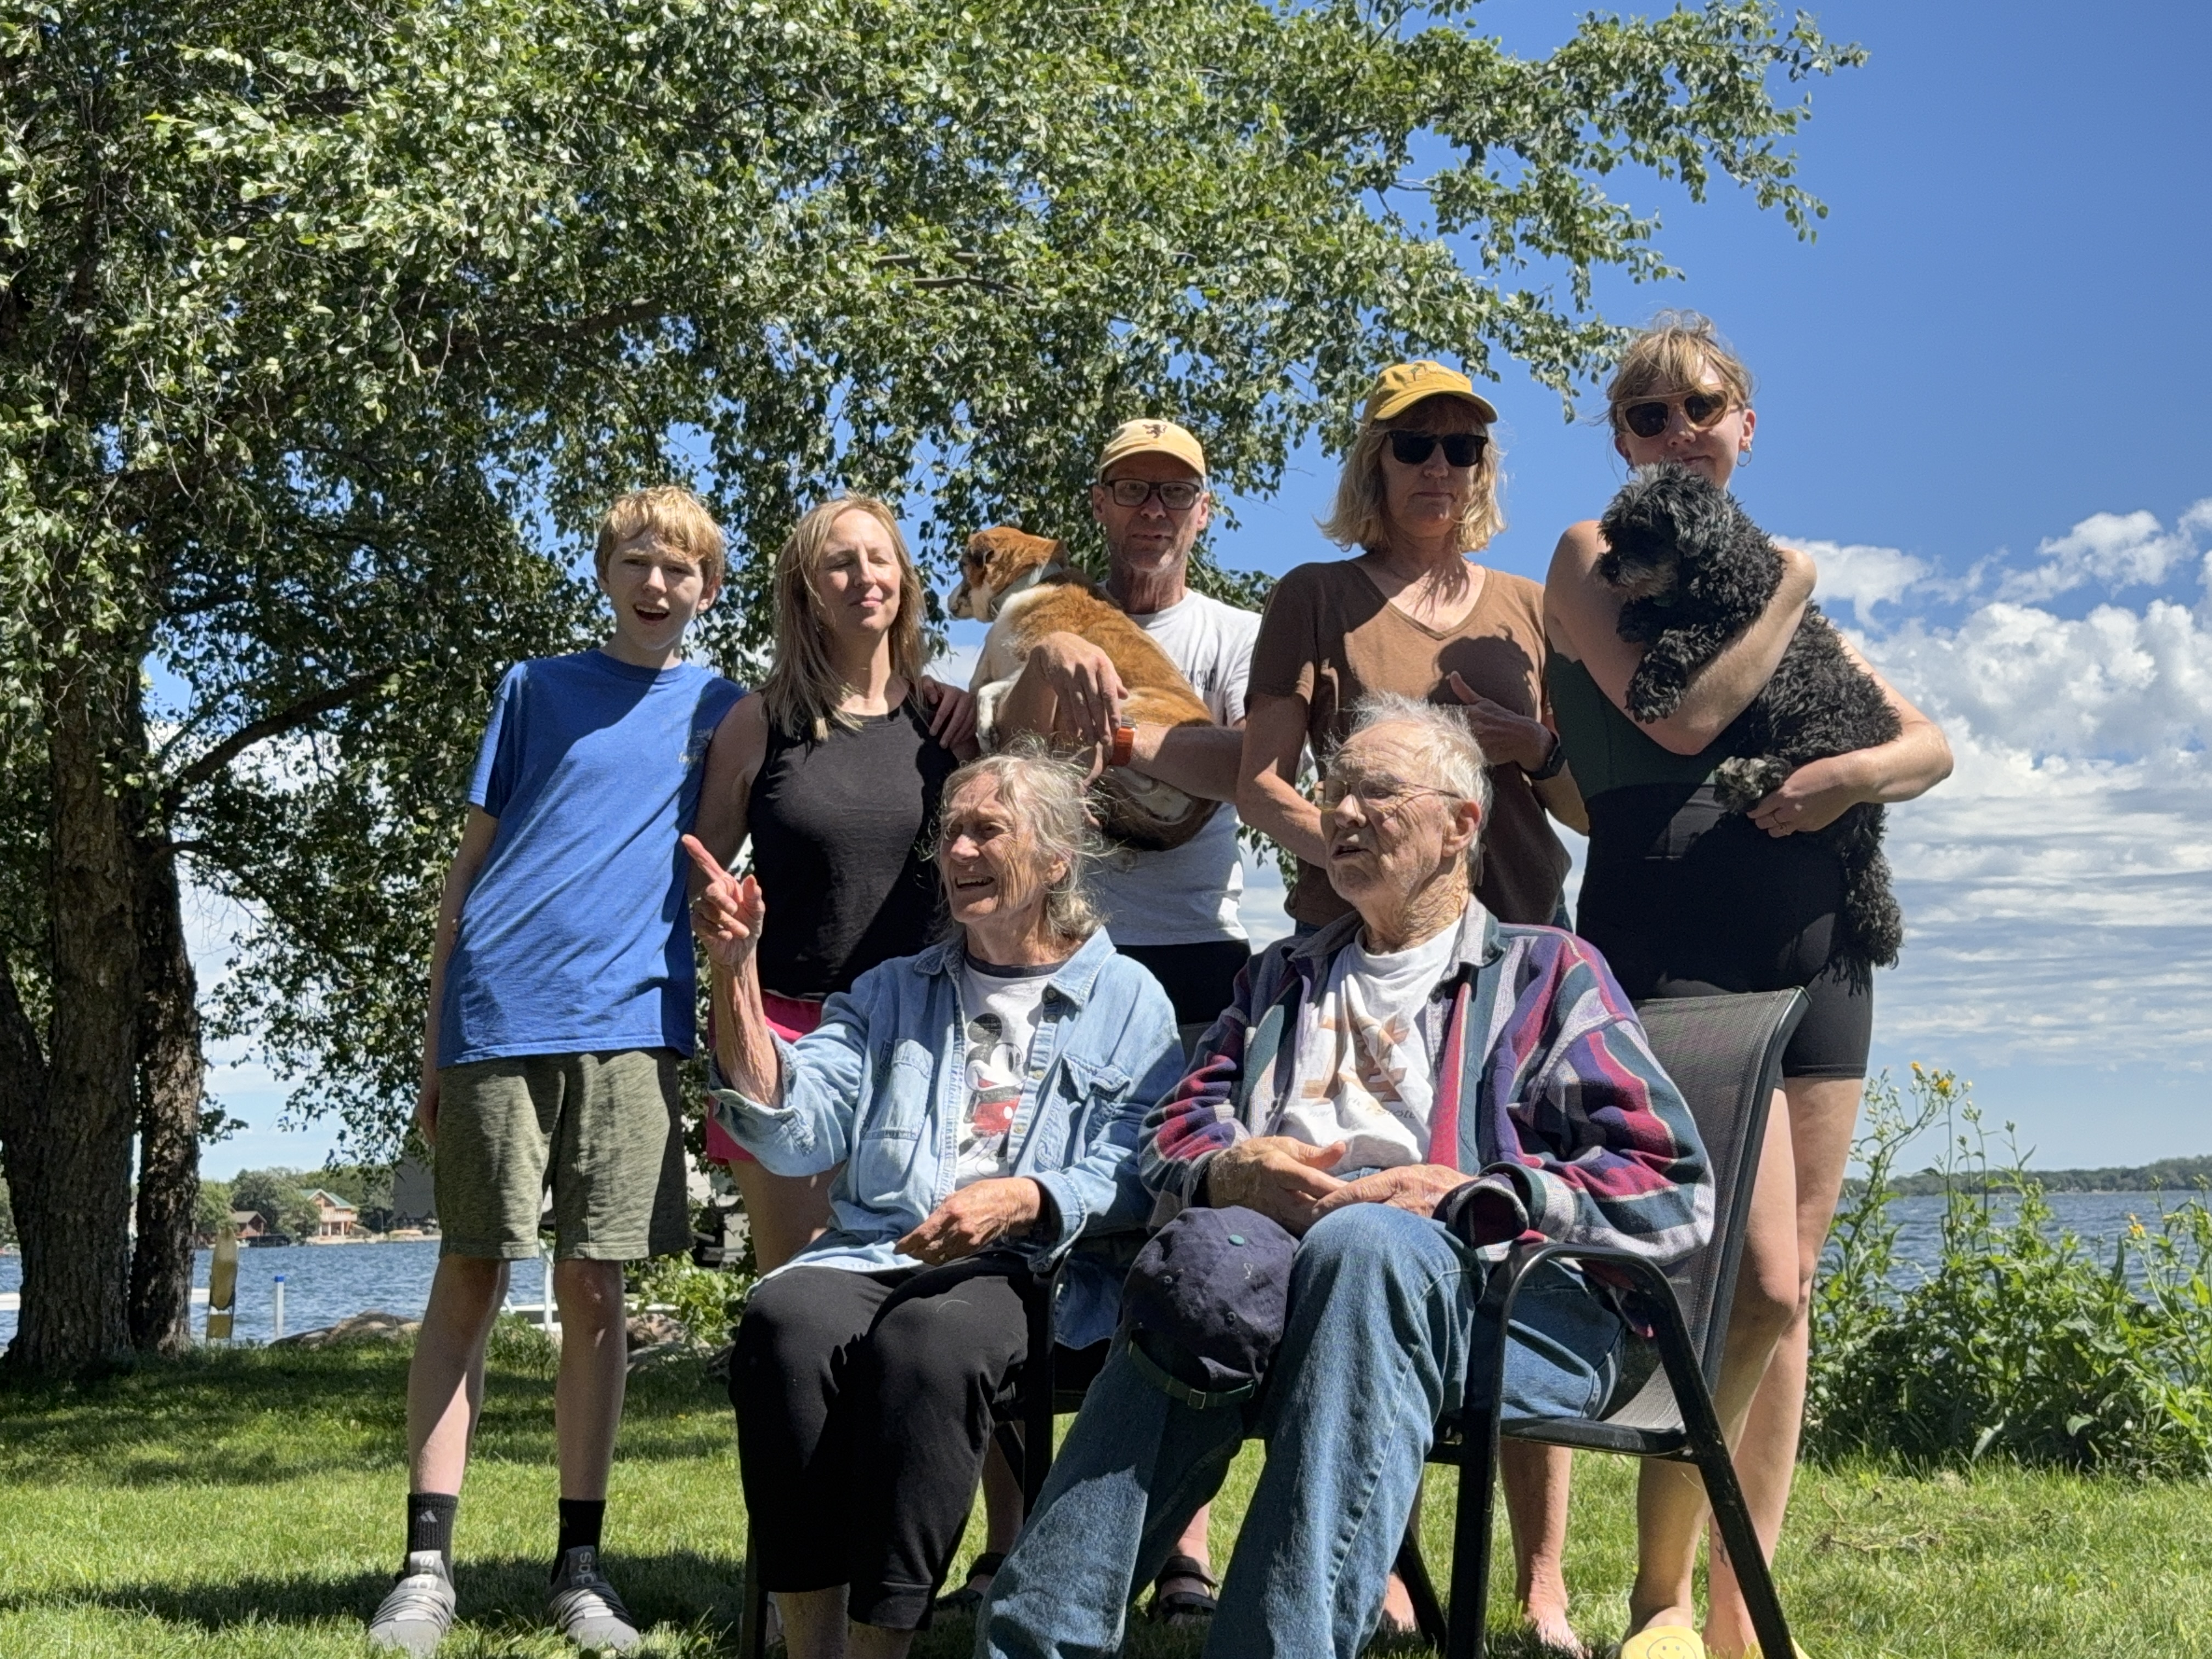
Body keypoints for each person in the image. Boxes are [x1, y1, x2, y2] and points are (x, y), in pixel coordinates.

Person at [979, 696, 1712, 1659]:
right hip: (1283, 1289)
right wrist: (1229, 1170)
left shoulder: (1545, 974)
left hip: (1507, 1311)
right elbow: (1171, 1136)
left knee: (1367, 1245)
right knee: (1202, 1260)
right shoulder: (1280, 979)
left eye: (1378, 791)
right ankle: (1033, 1645)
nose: (1344, 813)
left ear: (1461, 824)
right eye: (1334, 792)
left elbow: (1669, 1180)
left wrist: (1473, 1194)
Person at [1544, 312, 1952, 1659]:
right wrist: (1789, 589)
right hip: (1673, 942)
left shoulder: (1772, 574)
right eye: (1648, 414)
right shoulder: (1593, 557)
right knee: (1744, 1282)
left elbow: (1930, 745)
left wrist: (1850, 775)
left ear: (1746, 427)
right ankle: (1659, 1595)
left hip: (1821, 945)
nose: (1678, 432)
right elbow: (1682, 717)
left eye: (1701, 408)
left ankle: (1739, 1615)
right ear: (1621, 440)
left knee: (1797, 1287)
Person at [1234, 359, 1589, 1642]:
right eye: (1415, 445)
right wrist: (1346, 859)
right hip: (1357, 962)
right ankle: (1376, 1554)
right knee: (1361, 1222)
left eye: (1463, 446)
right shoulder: (1314, 596)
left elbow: (1585, 803)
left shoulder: (1530, 607)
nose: (1441, 466)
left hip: (1514, 961)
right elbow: (1259, 779)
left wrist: (1531, 746)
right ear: (1372, 463)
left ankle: (1542, 1578)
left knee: (1517, 1239)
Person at [690, 747, 1186, 1659]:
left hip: (1038, 1270)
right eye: (950, 833)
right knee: (786, 1320)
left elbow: (1142, 1169)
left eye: (985, 831)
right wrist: (736, 975)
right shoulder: (891, 991)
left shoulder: (1128, 1001)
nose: (956, 851)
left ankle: (883, 1646)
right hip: (880, 1248)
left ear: (1055, 858)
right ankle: (811, 1648)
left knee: (931, 1340)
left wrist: (1027, 1196)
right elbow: (795, 1125)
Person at [368, 486, 744, 1657]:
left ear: (709, 589)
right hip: (499, 1013)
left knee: (595, 1290)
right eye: (637, 562)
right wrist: (435, 1038)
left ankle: (580, 1568)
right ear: (605, 573)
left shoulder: (725, 711)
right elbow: (464, 876)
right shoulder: (532, 689)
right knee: (470, 1272)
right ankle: (425, 1568)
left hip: (634, 1024)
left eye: (679, 569)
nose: (656, 584)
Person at [964, 415, 1258, 1621]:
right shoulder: (1035, 622)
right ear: (1098, 503)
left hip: (1194, 958)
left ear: (1204, 512)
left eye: (1174, 493)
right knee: (1014, 1226)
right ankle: (1010, 1538)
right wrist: (1045, 682)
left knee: (1178, 1241)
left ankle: (1180, 1544)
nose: (1153, 509)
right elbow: (985, 755)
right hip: (1051, 957)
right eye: (1132, 488)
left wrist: (1127, 735)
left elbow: (1246, 770)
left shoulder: (1233, 634)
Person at [689, 495, 975, 1273]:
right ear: (806, 590)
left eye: (879, 559)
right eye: (840, 563)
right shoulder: (758, 722)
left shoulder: (949, 722)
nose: (864, 577)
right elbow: (698, 872)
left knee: (921, 1285)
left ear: (904, 579)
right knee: (798, 1291)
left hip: (924, 1033)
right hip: (785, 1035)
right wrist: (718, 914)